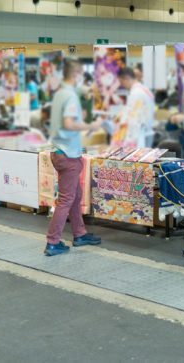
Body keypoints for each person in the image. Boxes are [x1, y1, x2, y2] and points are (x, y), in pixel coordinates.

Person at [44, 59, 102, 257]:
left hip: (59, 151)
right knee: (67, 199)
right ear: (76, 74)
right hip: (68, 154)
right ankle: (52, 242)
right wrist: (91, 126)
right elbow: (69, 124)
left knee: (75, 196)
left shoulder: (60, 93)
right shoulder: (70, 96)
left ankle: (80, 234)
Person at [114, 67, 156, 148]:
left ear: (126, 78)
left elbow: (132, 118)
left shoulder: (136, 93)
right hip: (147, 131)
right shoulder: (144, 89)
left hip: (141, 134)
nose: (122, 85)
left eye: (121, 82)